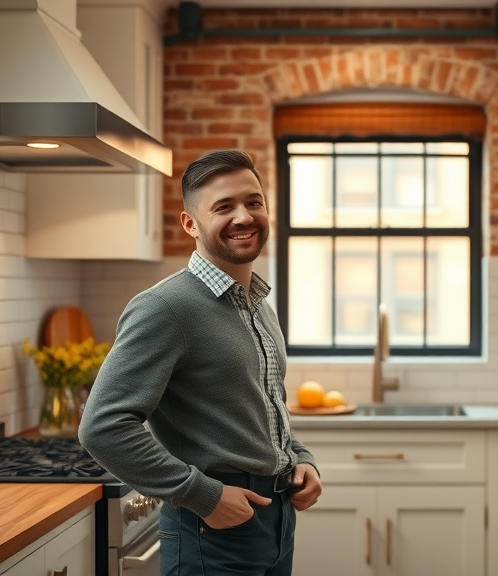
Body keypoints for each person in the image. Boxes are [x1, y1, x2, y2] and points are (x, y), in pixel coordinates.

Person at [79, 149, 321, 576]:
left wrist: (299, 457)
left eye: (253, 202)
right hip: (214, 530)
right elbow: (102, 426)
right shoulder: (165, 308)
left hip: (278, 519)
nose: (244, 217)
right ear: (190, 223)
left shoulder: (258, 304)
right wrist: (202, 496)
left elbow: (266, 402)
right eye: (223, 207)